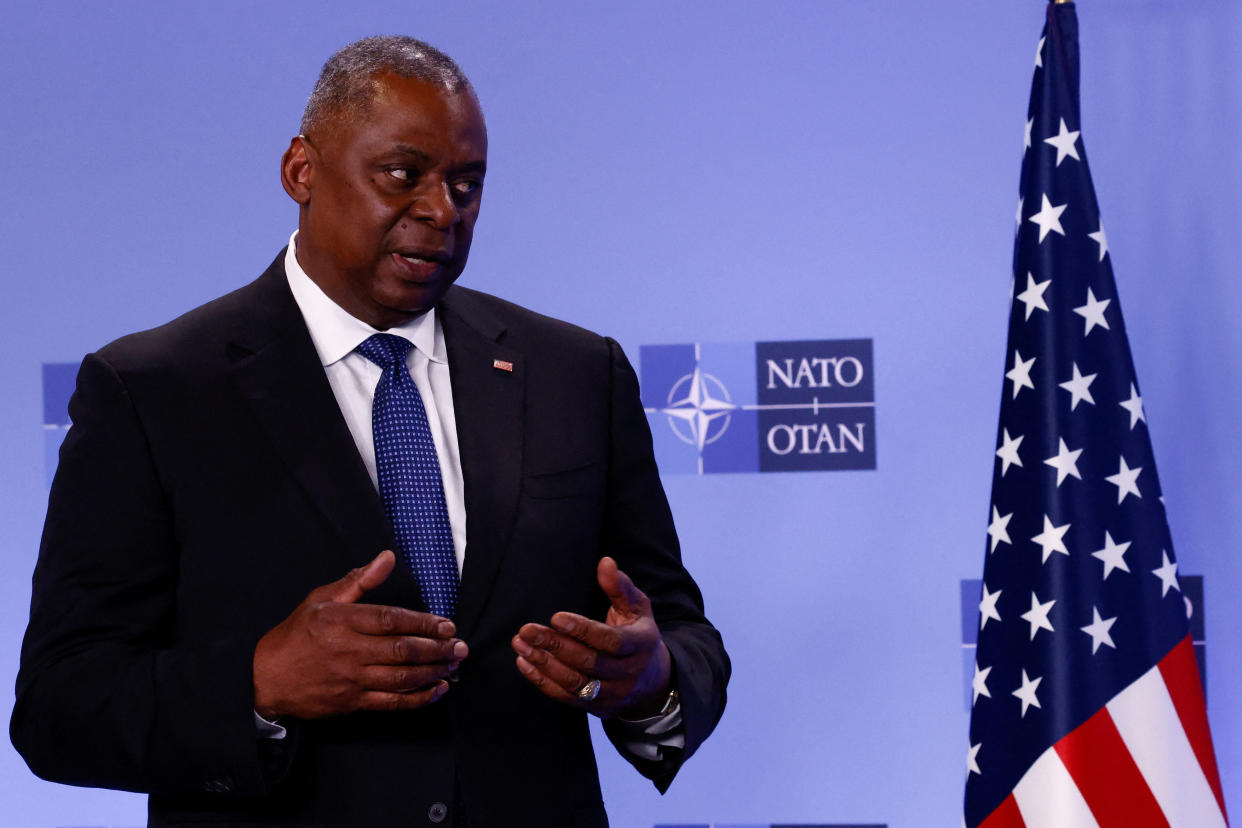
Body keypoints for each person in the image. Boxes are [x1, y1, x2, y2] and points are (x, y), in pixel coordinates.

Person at [10, 36, 728, 828]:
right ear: (302, 171)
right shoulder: (152, 391)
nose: (440, 211)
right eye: (403, 175)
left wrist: (651, 680)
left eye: (467, 185)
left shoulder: (576, 374)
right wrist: (258, 682)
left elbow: (680, 632)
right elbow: (60, 705)